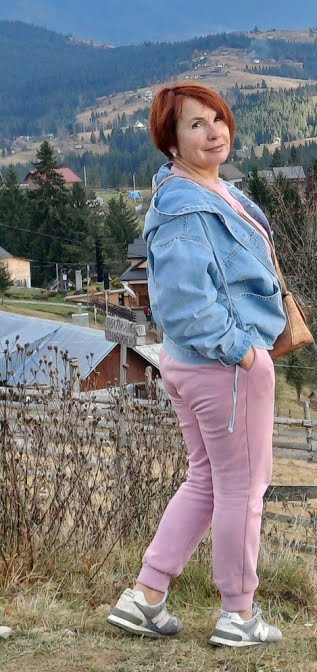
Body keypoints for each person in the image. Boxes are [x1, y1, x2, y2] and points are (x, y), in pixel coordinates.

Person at [106, 81, 286, 648]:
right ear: (171, 142)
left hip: (196, 366)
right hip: (222, 368)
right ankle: (238, 613)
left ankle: (146, 596)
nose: (213, 132)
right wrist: (245, 353)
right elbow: (185, 306)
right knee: (244, 490)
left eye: (217, 119)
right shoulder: (185, 209)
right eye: (195, 125)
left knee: (207, 479)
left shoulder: (208, 190)